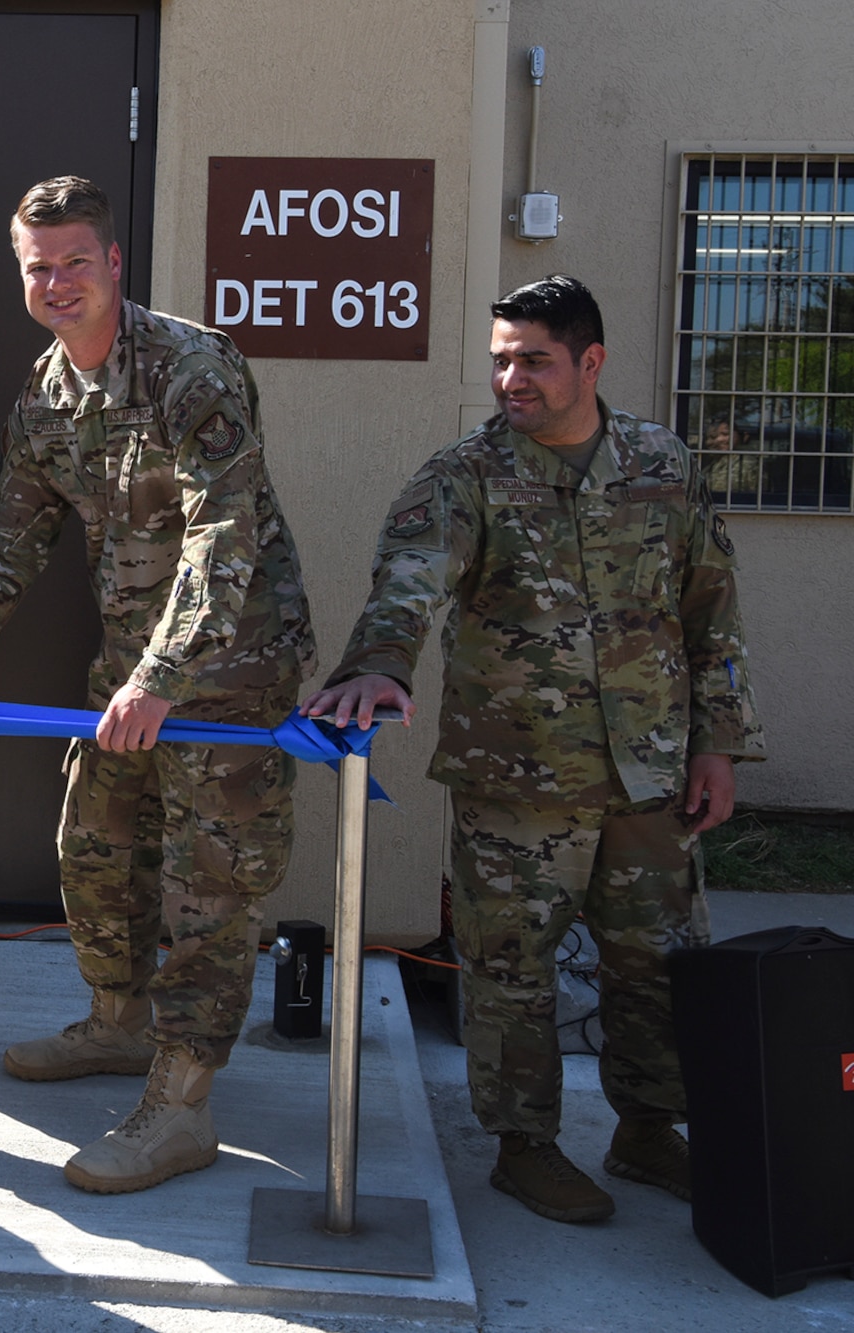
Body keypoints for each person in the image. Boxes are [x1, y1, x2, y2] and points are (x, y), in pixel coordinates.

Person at [302, 273, 763, 1224]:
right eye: (502, 358)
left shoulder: (662, 465)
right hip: (519, 776)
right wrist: (382, 661)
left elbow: (711, 611)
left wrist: (717, 745)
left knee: (660, 962)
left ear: (590, 361)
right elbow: (410, 578)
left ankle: (647, 1129)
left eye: (534, 360)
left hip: (651, 774)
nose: (512, 377)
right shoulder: (464, 475)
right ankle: (525, 1145)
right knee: (512, 969)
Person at [0, 177, 316, 1194]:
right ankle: (120, 1024)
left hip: (228, 666)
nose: (55, 282)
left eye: (74, 261)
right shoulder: (46, 394)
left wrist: (167, 675)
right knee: (92, 850)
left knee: (204, 889)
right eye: (37, 266)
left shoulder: (190, 366)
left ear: (113, 263)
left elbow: (226, 534)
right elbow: (7, 544)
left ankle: (180, 1107)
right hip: (128, 666)